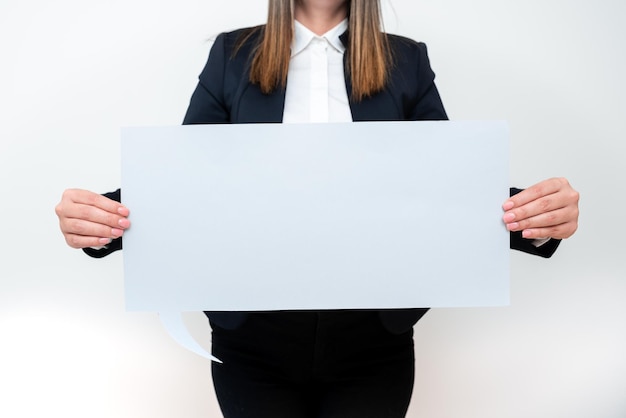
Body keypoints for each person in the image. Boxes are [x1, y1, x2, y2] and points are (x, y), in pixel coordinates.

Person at [55, 0, 580, 417]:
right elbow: (188, 182)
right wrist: (103, 221)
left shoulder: (407, 60)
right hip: (251, 339)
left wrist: (535, 220)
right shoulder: (230, 55)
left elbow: (446, 189)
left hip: (374, 338)